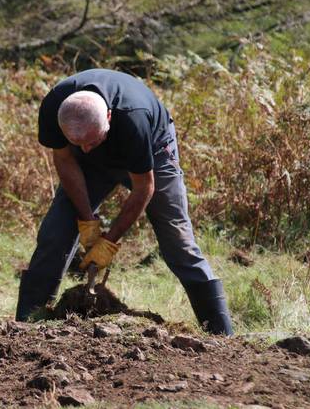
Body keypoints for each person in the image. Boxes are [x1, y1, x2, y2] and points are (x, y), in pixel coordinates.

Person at [16, 69, 233, 335]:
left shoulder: (134, 118)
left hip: (153, 153)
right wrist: (87, 221)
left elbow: (145, 187)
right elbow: (65, 159)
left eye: (91, 142)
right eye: (78, 143)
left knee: (177, 240)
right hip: (90, 165)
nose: (86, 149)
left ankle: (222, 334)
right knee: (55, 232)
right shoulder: (55, 108)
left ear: (108, 116)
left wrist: (109, 241)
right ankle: (25, 328)